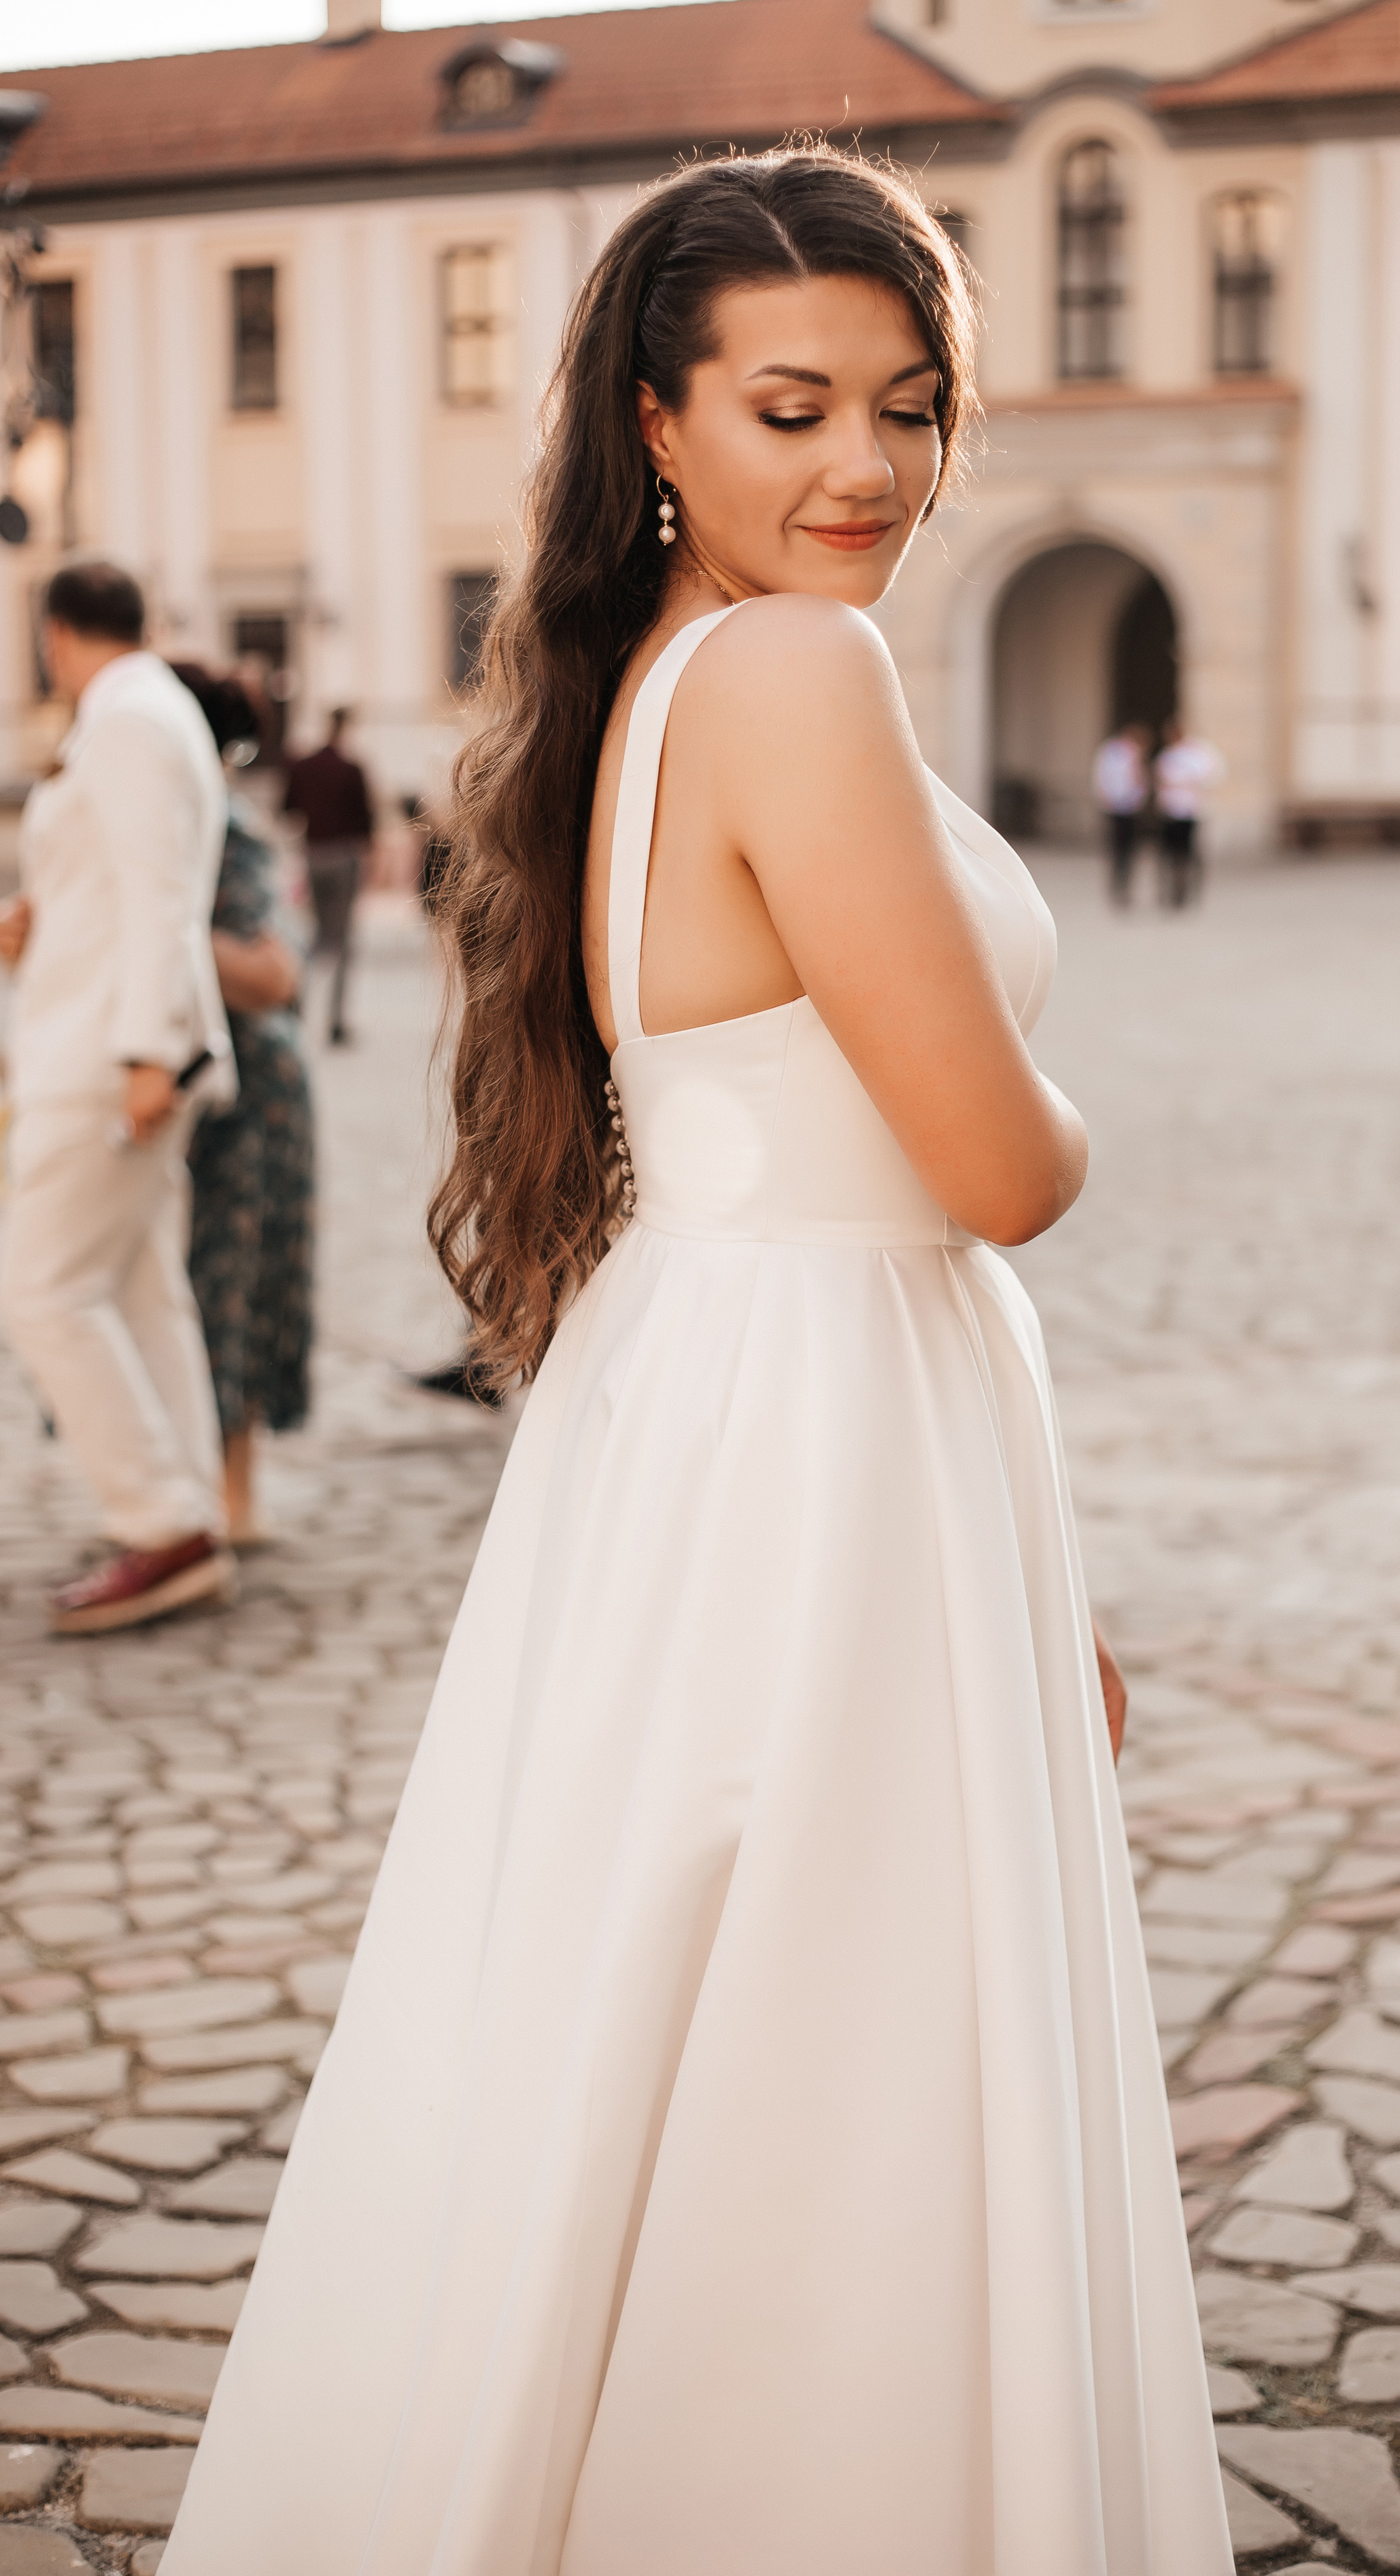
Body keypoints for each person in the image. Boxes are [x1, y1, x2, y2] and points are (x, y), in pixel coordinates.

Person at [161, 150, 1231, 2576]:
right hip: (825, 1416)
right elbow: (986, 1163)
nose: (862, 463)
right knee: (833, 2069)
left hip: (767, 1415)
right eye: (785, 406)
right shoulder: (788, 670)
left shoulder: (649, 680)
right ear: (658, 422)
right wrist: (1050, 1101)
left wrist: (1013, 1568)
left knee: (675, 2033)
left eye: (907, 402)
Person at [0, 561, 237, 1634]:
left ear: (54, 634)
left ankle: (162, 1524)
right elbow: (119, 887)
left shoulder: (133, 718)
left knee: (42, 1289)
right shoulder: (145, 711)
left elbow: (161, 896)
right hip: (110, 1037)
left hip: (107, 1056)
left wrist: (147, 1050)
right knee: (140, 1289)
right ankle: (184, 1504)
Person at [174, 666, 315, 1547]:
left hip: (250, 1092)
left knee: (234, 1282)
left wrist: (160, 928)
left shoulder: (224, 826)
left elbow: (272, 973)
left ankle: (234, 1498)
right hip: (207, 1082)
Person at [281, 705, 373, 1045]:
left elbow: (288, 808)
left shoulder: (303, 766)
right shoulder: (352, 769)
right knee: (344, 940)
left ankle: (297, 1002)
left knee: (317, 936)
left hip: (314, 854)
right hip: (344, 856)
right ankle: (336, 1020)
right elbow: (366, 824)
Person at [1154, 715, 1225, 910]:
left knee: (1189, 853)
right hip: (1170, 810)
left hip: (1189, 811)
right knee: (1170, 853)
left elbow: (1210, 776)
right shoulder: (1167, 756)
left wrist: (1185, 783)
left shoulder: (1197, 753)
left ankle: (1188, 891)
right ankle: (1171, 892)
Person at [1092, 717, 1156, 904]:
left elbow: (1140, 781)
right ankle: (1117, 886)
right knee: (1118, 849)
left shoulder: (1136, 753)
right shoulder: (1113, 751)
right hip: (1116, 806)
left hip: (1131, 808)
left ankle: (1125, 886)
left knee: (1129, 850)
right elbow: (1103, 777)